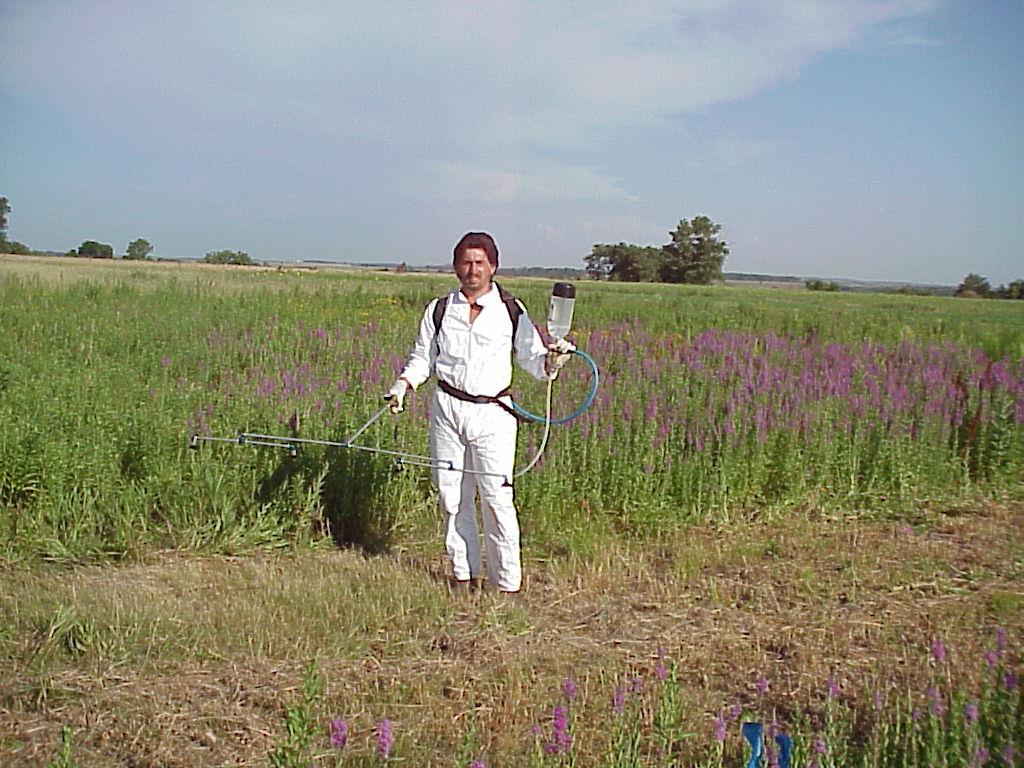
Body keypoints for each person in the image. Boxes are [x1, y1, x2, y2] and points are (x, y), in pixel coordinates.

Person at [384, 232, 573, 594]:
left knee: (497, 498)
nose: (473, 270)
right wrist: (403, 385)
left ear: (493, 267)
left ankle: (506, 586)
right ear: (456, 267)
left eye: (480, 263)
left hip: (493, 414)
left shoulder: (511, 310)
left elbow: (534, 361)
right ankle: (462, 575)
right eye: (466, 262)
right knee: (451, 495)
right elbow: (423, 359)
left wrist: (553, 360)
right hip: (447, 410)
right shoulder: (439, 309)